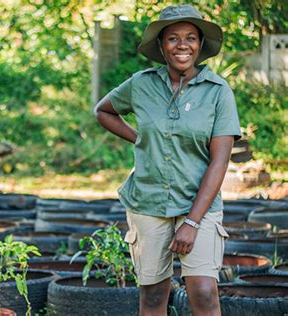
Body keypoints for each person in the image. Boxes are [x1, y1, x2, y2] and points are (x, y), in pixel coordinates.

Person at [94, 4, 241, 316]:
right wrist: (142, 139)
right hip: (148, 202)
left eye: (190, 37)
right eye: (173, 38)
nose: (182, 45)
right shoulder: (141, 84)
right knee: (152, 295)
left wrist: (192, 221)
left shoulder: (218, 92)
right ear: (161, 45)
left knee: (203, 292)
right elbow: (103, 111)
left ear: (200, 44)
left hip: (198, 204)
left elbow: (219, 162)